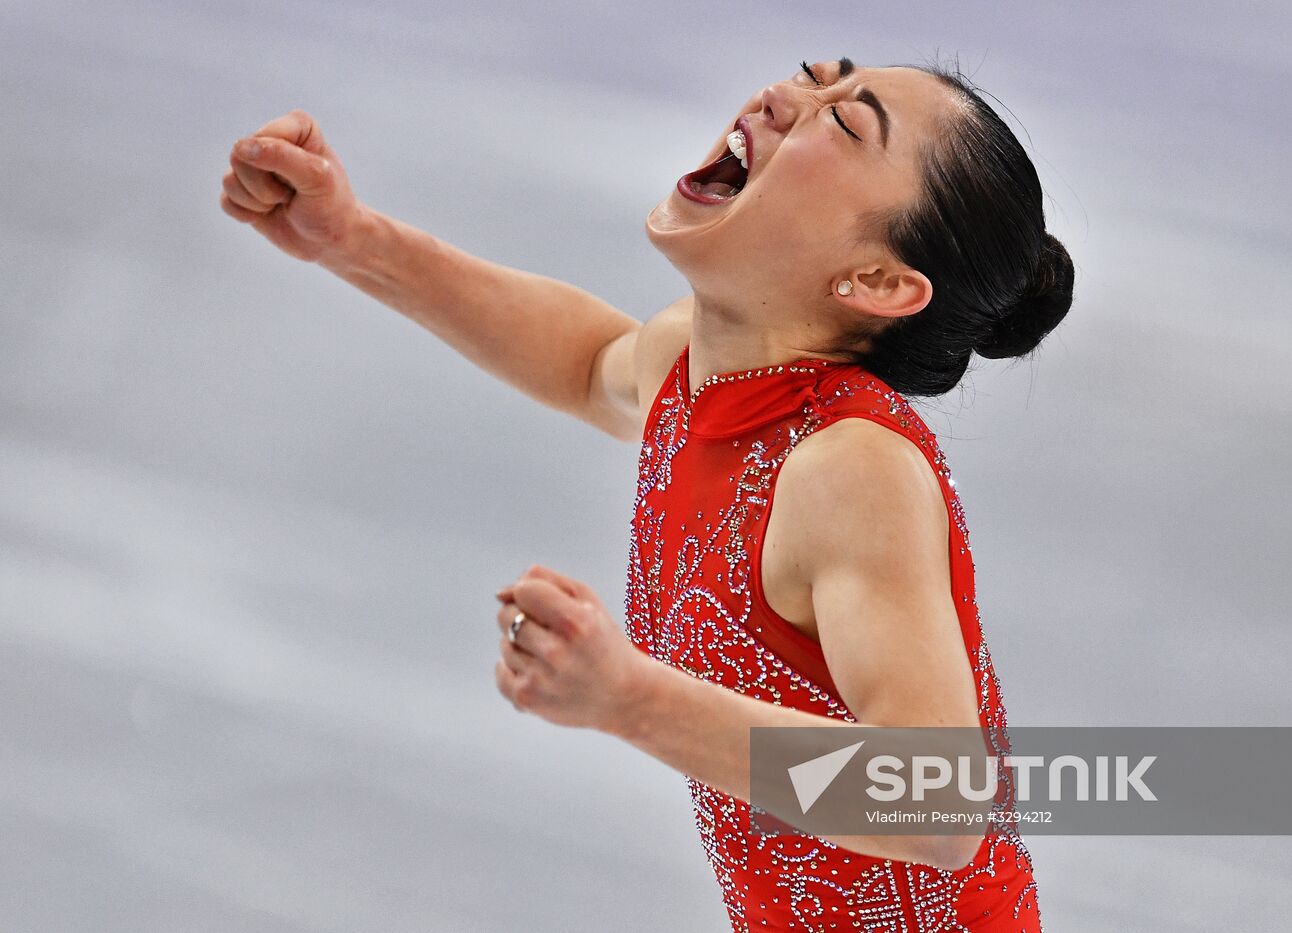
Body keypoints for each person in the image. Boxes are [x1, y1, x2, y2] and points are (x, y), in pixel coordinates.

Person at [220, 54, 1072, 931]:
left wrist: (629, 697)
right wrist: (351, 238)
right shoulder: (697, 370)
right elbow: (591, 364)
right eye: (817, 77)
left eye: (845, 123)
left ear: (879, 283)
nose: (783, 96)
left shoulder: (850, 468)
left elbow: (940, 806)